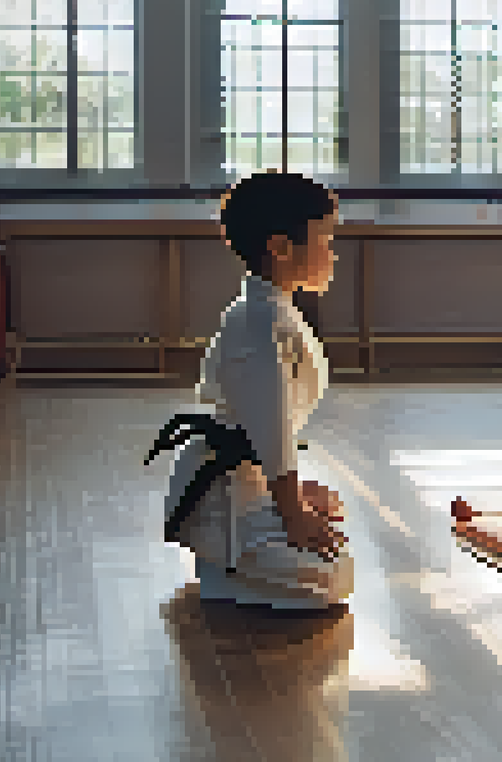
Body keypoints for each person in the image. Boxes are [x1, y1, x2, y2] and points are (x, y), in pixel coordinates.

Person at [147, 171, 353, 609]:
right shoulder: (260, 323)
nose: (332, 253)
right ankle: (226, 565)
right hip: (225, 502)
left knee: (334, 535)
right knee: (331, 579)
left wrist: (298, 496)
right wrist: (293, 512)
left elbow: (269, 437)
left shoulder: (272, 310)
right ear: (280, 247)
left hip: (245, 484)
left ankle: (243, 555)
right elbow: (270, 430)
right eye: (324, 239)